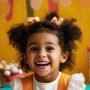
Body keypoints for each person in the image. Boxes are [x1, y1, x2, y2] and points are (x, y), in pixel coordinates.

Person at [7, 16, 86, 90]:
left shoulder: (71, 85)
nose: (41, 54)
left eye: (49, 48)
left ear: (63, 56)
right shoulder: (21, 86)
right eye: (34, 49)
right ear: (26, 57)